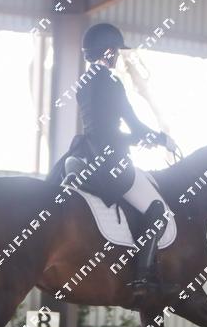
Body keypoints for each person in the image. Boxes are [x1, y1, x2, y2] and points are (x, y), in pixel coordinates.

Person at [65, 22, 178, 295]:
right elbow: (134, 127)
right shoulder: (111, 83)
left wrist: (136, 139)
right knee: (158, 211)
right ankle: (142, 278)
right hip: (111, 165)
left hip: (84, 157)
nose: (117, 55)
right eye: (115, 50)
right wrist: (161, 139)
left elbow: (100, 131)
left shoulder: (83, 83)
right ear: (107, 51)